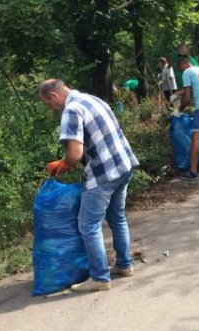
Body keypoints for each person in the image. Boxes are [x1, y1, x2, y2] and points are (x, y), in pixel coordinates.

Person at [40, 79, 139, 293]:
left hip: (104, 173)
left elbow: (74, 155)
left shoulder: (71, 110)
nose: (52, 109)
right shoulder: (91, 99)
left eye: (49, 105)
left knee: (88, 225)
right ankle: (125, 265)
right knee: (117, 217)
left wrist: (63, 163)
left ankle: (100, 277)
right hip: (124, 165)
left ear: (54, 96)